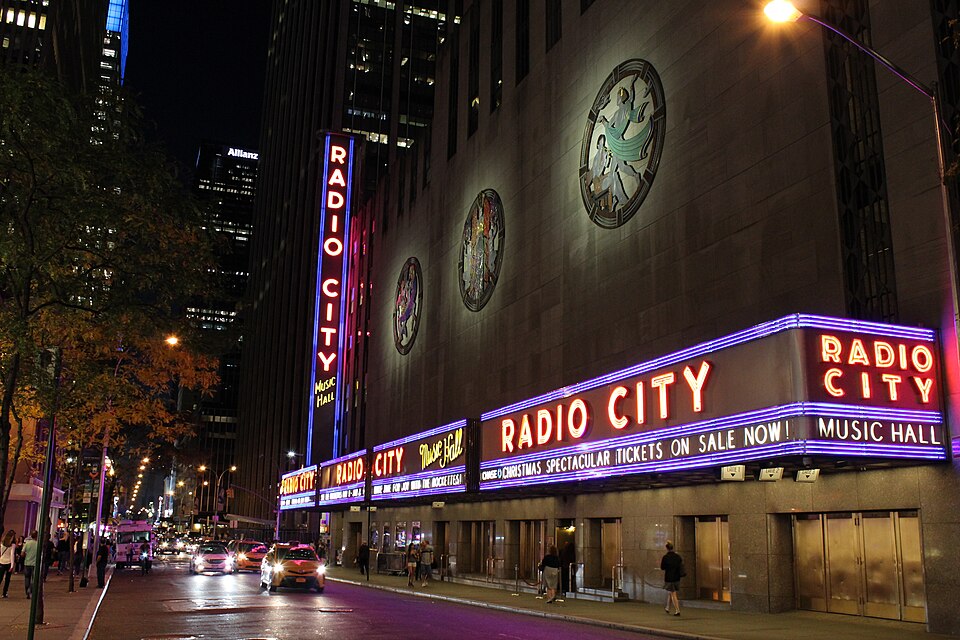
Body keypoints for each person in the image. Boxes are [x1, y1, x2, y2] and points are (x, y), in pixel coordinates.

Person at [660, 541, 684, 616]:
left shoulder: (665, 557)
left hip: (669, 578)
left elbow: (662, 567)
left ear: (667, 548)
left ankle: (677, 610)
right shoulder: (678, 557)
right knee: (671, 592)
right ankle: (667, 608)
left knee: (673, 593)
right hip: (677, 577)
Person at [22, 530, 38, 598]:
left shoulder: (27, 543)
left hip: (27, 562)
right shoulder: (38, 544)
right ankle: (30, 590)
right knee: (34, 578)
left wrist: (26, 555)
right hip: (35, 563)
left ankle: (27, 590)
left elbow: (22, 553)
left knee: (27, 578)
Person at [0, 529, 15, 597]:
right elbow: (12, 554)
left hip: (1, 561)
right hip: (8, 562)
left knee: (0, 577)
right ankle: (4, 593)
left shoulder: (2, 543)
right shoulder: (12, 545)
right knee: (7, 579)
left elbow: (1, 553)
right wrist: (12, 565)